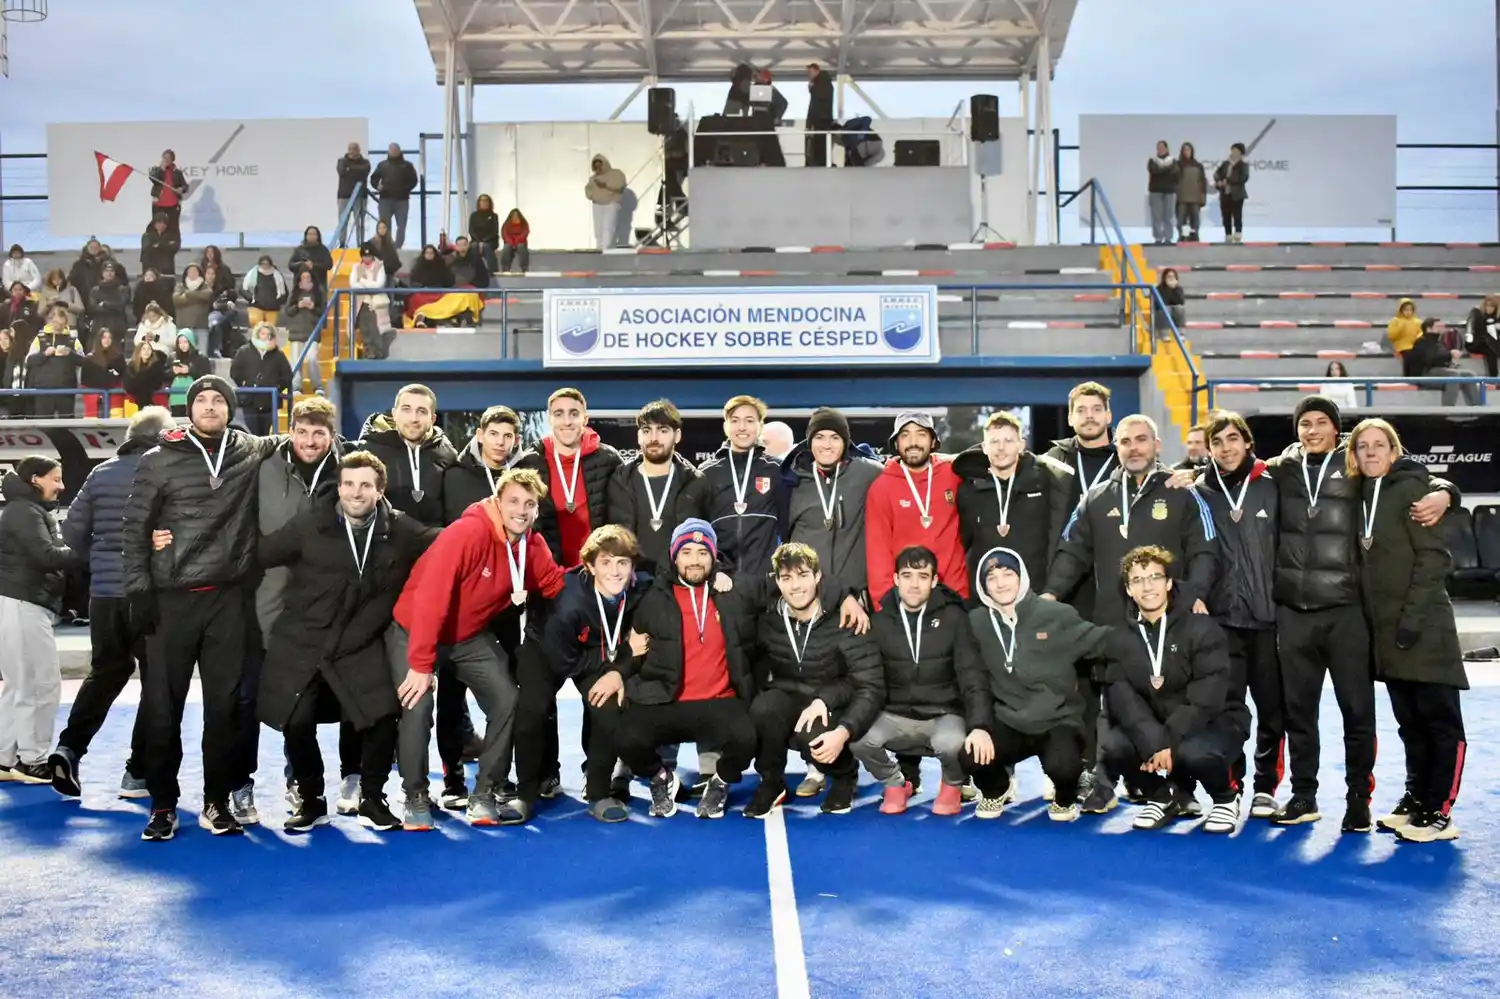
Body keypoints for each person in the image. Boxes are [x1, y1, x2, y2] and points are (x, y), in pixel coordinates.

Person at [1266, 394, 1458, 832]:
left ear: (1337, 429)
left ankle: (1358, 799)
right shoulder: (1284, 468)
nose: (1312, 430)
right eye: (1304, 424)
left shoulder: (1355, 462)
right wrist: (1191, 473)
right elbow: (1237, 468)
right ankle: (1303, 795)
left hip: (1347, 612)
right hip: (1294, 612)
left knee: (1358, 712)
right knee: (1299, 713)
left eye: (1321, 422)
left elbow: (1409, 472)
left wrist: (1447, 491)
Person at [122, 375, 281, 841]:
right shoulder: (157, 459)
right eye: (202, 400)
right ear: (189, 409)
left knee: (224, 708)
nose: (210, 406)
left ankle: (216, 801)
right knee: (162, 707)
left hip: (227, 600)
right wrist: (140, 593)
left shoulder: (249, 449)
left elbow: (305, 439)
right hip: (171, 600)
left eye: (219, 400)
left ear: (230, 409)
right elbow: (134, 529)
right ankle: (162, 804)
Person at [1043, 413, 1220, 814]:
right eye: (1125, 441)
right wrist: (1052, 594)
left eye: (1141, 439)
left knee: (1170, 703)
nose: (1133, 448)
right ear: (1116, 448)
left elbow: (1205, 550)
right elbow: (1072, 550)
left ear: (1157, 445)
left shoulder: (1182, 492)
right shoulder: (1097, 497)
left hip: (1168, 622)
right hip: (1114, 622)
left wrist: (1192, 597)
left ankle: (1179, 787)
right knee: (1112, 706)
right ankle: (1105, 784)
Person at [257, 451, 437, 833]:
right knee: (296, 720)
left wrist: (487, 523)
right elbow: (260, 553)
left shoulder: (399, 529)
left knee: (382, 716)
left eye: (365, 485)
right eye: (349, 484)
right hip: (304, 639)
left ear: (380, 490)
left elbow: (443, 543)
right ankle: (311, 799)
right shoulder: (310, 523)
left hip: (358, 641)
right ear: (338, 488)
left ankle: (372, 798)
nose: (356, 492)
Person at [387, 467, 565, 829]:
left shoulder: (532, 546)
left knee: (507, 698)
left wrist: (599, 578)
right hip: (414, 628)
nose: (521, 510)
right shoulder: (467, 533)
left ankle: (484, 791)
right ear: (498, 502)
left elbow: (555, 585)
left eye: (529, 504)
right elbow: (430, 598)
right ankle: (415, 794)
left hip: (465, 636)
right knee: (417, 705)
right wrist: (421, 664)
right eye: (513, 501)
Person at [1348, 418, 1468, 843]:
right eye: (1363, 446)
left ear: (1394, 451)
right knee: (1410, 725)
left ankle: (1440, 810)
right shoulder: (1359, 493)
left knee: (1442, 724)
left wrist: (1412, 621)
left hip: (1425, 629)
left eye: (1379, 445)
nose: (1371, 452)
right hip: (1388, 635)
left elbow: (1434, 560)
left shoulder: (1414, 488)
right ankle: (1417, 798)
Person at [49, 407, 175, 799]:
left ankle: (69, 748)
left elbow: (72, 534)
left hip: (104, 595)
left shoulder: (100, 473)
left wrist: (100, 563)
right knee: (156, 681)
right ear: (162, 437)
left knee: (105, 672)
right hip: (150, 595)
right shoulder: (167, 472)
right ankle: (138, 772)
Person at [243, 395, 350, 815]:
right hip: (272, 598)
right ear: (289, 432)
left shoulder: (348, 470)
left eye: (318, 433)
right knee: (286, 696)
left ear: (331, 436)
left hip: (328, 602)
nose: (309, 440)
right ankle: (296, 783)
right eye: (302, 432)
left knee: (334, 695)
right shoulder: (264, 466)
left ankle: (350, 780)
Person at [611, 520, 759, 819]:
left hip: (719, 701)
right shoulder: (652, 598)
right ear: (674, 556)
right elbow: (633, 646)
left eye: (703, 553)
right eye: (687, 552)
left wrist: (844, 596)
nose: (695, 560)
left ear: (714, 558)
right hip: (667, 700)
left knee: (750, 735)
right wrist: (622, 674)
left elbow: (784, 585)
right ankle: (661, 778)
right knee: (624, 735)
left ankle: (720, 781)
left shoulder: (732, 591)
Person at [1100, 546, 1250, 833]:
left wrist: (1169, 739)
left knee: (1194, 753)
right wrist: (1154, 741)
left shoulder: (1201, 627)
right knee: (1115, 746)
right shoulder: (1118, 637)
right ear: (1129, 590)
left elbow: (1208, 696)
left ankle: (1225, 798)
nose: (1147, 587)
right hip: (1159, 724)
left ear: (1169, 583)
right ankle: (1161, 796)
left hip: (1215, 719)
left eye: (1155, 577)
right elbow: (1122, 697)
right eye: (1137, 580)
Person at [964, 546, 1111, 820]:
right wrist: (977, 726)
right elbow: (965, 673)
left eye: (1008, 574)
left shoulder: (1056, 614)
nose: (1000, 583)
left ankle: (1064, 797)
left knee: (1064, 766)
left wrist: (1151, 631)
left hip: (1057, 720)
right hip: (1008, 720)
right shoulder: (976, 623)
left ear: (1021, 577)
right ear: (983, 586)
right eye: (991, 578)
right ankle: (996, 789)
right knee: (969, 752)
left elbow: (1104, 641)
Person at [744, 541, 882, 819]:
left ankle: (844, 775)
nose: (795, 586)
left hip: (834, 705)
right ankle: (772, 782)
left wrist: (841, 727)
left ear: (818, 577)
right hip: (790, 696)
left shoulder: (847, 618)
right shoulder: (768, 619)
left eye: (803, 575)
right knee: (763, 709)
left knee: (813, 734)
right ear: (777, 582)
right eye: (786, 578)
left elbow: (872, 685)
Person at [1190, 412, 1284, 819]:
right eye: (1217, 442)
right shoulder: (1198, 492)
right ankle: (1231, 787)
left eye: (1232, 439)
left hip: (1267, 618)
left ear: (1247, 442)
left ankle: (1265, 787)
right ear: (1208, 449)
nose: (1226, 448)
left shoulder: (1272, 484)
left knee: (1272, 709)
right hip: (1221, 620)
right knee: (1227, 710)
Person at [522, 525, 650, 822]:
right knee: (532, 708)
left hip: (596, 647)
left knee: (607, 703)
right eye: (606, 563)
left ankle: (598, 792)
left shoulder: (641, 588)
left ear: (632, 567)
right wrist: (622, 655)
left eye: (622, 563)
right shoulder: (567, 602)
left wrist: (617, 672)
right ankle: (525, 793)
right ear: (590, 566)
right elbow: (565, 662)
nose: (615, 571)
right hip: (547, 647)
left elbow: (671, 581)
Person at [856, 546, 987, 816]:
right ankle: (895, 784)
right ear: (895, 579)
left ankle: (952, 784)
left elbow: (972, 675)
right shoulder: (879, 623)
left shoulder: (955, 619)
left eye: (923, 576)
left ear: (934, 581)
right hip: (895, 715)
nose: (914, 584)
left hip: (942, 714)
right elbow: (867, 682)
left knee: (954, 744)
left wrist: (980, 726)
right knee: (856, 736)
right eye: (907, 575)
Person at [0, 456, 78, 784]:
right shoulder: (24, 511)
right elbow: (46, 556)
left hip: (19, 602)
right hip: (25, 603)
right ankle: (32, 761)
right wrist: (84, 549)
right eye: (55, 479)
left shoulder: (24, 510)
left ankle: (4, 758)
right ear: (35, 479)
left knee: (19, 685)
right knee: (39, 684)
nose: (61, 486)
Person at [954, 410, 1073, 602]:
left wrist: (1052, 589)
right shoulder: (969, 490)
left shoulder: (1045, 481)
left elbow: (1060, 537)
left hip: (1034, 597)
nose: (1001, 448)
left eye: (1008, 441)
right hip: (985, 599)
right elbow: (963, 544)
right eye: (994, 441)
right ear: (984, 447)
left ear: (1021, 445)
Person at [864, 411, 967, 610]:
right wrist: (885, 608)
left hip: (954, 598)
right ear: (896, 444)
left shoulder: (953, 474)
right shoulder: (882, 487)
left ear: (933, 441)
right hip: (906, 602)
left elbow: (989, 457)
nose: (913, 442)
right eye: (905, 435)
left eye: (921, 434)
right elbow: (878, 554)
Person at [514, 387, 624, 569]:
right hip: (548, 572)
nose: (567, 421)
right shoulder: (530, 462)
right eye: (559, 414)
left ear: (585, 419)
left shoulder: (608, 459)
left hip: (599, 571)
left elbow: (623, 518)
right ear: (550, 419)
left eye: (574, 414)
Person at [681, 394, 789, 578]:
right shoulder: (707, 472)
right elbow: (696, 529)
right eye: (735, 420)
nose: (742, 427)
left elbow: (789, 526)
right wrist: (715, 571)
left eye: (749, 421)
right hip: (721, 579)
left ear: (760, 426)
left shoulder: (776, 470)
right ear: (726, 426)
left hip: (766, 579)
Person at [784, 406, 883, 599]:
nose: (827, 445)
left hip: (854, 597)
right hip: (808, 597)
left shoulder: (868, 473)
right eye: (819, 437)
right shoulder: (791, 480)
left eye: (835, 437)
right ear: (809, 441)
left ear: (845, 442)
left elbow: (901, 473)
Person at [606, 398, 702, 576]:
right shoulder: (620, 480)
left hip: (678, 580)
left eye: (663, 430)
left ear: (677, 435)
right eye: (647, 430)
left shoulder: (694, 481)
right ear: (638, 436)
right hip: (633, 581)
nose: (654, 438)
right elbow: (616, 539)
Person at [359, 383, 460, 529]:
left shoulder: (447, 454)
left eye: (422, 411)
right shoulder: (367, 451)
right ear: (394, 414)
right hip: (383, 540)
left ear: (432, 419)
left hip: (436, 541)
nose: (413, 418)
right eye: (406, 409)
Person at [444, 404, 521, 522]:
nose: (500, 442)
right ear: (480, 435)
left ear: (516, 441)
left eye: (507, 436)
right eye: (493, 434)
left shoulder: (525, 477)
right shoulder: (454, 476)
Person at [228, 324, 293, 436]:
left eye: (269, 334)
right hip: (249, 401)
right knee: (252, 433)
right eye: (263, 333)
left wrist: (277, 387)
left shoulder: (278, 355)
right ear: (257, 334)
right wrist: (244, 384)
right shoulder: (244, 351)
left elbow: (287, 375)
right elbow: (234, 372)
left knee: (265, 435)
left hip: (269, 402)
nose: (266, 337)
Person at [24, 305, 84, 418]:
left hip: (66, 390)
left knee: (66, 424)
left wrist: (71, 354)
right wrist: (44, 354)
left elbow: (84, 362)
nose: (59, 326)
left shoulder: (73, 341)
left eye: (62, 323)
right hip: (43, 390)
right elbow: (29, 361)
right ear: (51, 321)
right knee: (44, 424)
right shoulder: (39, 339)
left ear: (66, 323)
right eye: (56, 323)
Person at [1407, 317, 1479, 406]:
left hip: (1439, 372)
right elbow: (1429, 359)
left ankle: (1476, 406)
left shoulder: (1438, 341)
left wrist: (1450, 361)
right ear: (1429, 328)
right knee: (1453, 375)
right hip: (1426, 374)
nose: (1442, 328)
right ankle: (1448, 409)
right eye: (1438, 326)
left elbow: (1440, 358)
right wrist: (1449, 354)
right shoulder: (1422, 342)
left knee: (1469, 375)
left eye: (1442, 326)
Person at [283, 270, 326, 396]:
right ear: (299, 280)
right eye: (303, 278)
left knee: (312, 358)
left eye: (308, 277)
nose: (306, 280)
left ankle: (317, 386)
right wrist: (298, 306)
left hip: (312, 331)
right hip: (296, 331)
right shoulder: (294, 293)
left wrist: (313, 307)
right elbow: (288, 311)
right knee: (296, 361)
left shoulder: (318, 293)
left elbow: (323, 311)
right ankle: (296, 387)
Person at [348, 244, 394, 360]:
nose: (367, 258)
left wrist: (363, 281)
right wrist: (368, 285)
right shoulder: (356, 267)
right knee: (365, 328)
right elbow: (353, 284)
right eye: (364, 256)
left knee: (377, 328)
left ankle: (379, 352)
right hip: (362, 302)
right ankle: (368, 351)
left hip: (377, 303)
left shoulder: (379, 266)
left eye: (369, 256)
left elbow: (379, 285)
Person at [370, 143, 419, 249]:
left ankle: (397, 246)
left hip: (402, 200)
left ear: (399, 151)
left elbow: (414, 180)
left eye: (395, 150)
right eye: (391, 150)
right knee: (384, 225)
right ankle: (386, 246)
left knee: (401, 225)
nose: (393, 152)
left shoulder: (407, 165)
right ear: (388, 151)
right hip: (385, 199)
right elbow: (373, 178)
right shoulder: (382, 165)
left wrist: (405, 189)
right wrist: (378, 186)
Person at [585, 154, 627, 250]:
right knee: (598, 230)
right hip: (597, 205)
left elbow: (620, 187)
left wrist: (606, 186)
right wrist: (592, 196)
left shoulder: (616, 174)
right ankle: (599, 249)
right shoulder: (593, 178)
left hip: (611, 204)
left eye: (600, 165)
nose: (598, 168)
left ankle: (606, 249)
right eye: (596, 166)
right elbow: (588, 189)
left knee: (608, 228)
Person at [80, 328, 126, 416]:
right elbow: (85, 381)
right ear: (99, 339)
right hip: (96, 398)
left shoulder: (119, 358)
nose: (107, 340)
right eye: (104, 337)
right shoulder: (90, 359)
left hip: (114, 396)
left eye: (109, 338)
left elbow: (123, 376)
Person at [165, 331, 211, 417]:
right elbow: (164, 375)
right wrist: (173, 371)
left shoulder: (201, 358)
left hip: (195, 396)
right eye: (180, 342)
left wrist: (189, 370)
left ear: (191, 342)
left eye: (185, 342)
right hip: (176, 398)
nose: (182, 345)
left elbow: (207, 375)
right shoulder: (172, 357)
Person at [1212, 143, 1250, 243]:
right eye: (1232, 150)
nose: (1233, 153)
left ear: (1241, 153)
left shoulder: (1243, 165)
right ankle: (1228, 235)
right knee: (1226, 215)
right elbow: (1217, 174)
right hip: (1225, 194)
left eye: (1236, 151)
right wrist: (1219, 181)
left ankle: (1238, 234)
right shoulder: (1226, 164)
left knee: (1237, 215)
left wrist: (1228, 180)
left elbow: (1243, 178)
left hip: (1237, 194)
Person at [172, 263, 215, 351]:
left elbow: (207, 296)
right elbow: (176, 299)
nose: (192, 273)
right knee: (182, 353)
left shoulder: (205, 286)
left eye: (195, 271)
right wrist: (197, 299)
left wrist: (187, 294)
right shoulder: (180, 286)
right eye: (190, 271)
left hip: (200, 327)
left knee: (202, 354)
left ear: (199, 273)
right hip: (183, 326)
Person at [87, 263, 131, 345]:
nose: (109, 273)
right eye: (106, 271)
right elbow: (93, 307)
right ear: (102, 273)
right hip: (99, 325)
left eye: (111, 271)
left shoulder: (122, 289)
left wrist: (104, 304)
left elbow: (121, 305)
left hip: (117, 326)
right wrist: (113, 306)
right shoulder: (95, 290)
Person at [336, 142, 372, 243]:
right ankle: (342, 243)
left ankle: (360, 243)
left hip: (360, 196)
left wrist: (349, 169)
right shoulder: (341, 161)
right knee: (343, 221)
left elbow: (364, 172)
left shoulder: (365, 163)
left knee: (360, 222)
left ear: (359, 150)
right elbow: (342, 171)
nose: (352, 151)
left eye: (355, 149)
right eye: (350, 149)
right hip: (344, 196)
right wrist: (355, 171)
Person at [148, 150, 188, 240]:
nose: (165, 160)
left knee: (173, 228)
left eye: (168, 158)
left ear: (172, 160)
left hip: (173, 205)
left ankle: (174, 244)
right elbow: (154, 179)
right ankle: (156, 244)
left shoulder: (177, 172)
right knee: (157, 226)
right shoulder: (156, 170)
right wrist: (162, 169)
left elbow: (185, 186)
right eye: (164, 158)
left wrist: (181, 189)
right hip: (158, 204)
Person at [241, 255, 288, 330]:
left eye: (267, 264)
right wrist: (251, 298)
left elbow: (284, 292)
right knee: (257, 328)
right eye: (263, 264)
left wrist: (278, 301)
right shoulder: (252, 274)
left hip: (273, 307)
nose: (265, 266)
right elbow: (243, 289)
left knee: (270, 329)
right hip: (256, 305)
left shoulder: (277, 275)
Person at [1147, 141, 1179, 245]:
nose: (1159, 149)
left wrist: (1162, 170)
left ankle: (1168, 237)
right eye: (1158, 147)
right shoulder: (1152, 161)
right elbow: (1154, 171)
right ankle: (1158, 237)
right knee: (1156, 216)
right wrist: (1166, 169)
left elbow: (1175, 173)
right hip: (1155, 191)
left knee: (1168, 216)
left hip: (1169, 191)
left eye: (1162, 147)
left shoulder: (1173, 161)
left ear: (1166, 148)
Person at [123, 338, 169, 411]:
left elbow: (156, 384)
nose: (146, 351)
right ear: (139, 351)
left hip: (154, 403)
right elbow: (128, 385)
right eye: (143, 349)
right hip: (135, 403)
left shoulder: (156, 367)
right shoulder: (132, 366)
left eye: (149, 349)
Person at [804, 62, 836, 167]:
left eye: (810, 72)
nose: (809, 75)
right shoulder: (823, 83)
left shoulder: (823, 83)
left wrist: (812, 89)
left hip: (821, 119)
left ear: (816, 71)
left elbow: (821, 97)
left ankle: (821, 163)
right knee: (818, 144)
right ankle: (819, 163)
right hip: (821, 118)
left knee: (820, 144)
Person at [1175, 143, 1207, 242]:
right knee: (1181, 220)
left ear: (1192, 151)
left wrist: (1202, 197)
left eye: (1188, 150)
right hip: (1182, 197)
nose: (1186, 152)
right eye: (1184, 150)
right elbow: (1174, 181)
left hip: (1195, 198)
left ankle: (1194, 236)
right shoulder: (1177, 165)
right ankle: (1182, 236)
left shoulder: (1198, 166)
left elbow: (1202, 182)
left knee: (1195, 220)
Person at [288, 225, 334, 293]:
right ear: (306, 236)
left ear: (318, 236)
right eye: (309, 234)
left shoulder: (323, 250)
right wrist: (301, 264)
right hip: (300, 285)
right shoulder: (299, 250)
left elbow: (329, 265)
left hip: (319, 285)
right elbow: (291, 265)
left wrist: (313, 265)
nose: (312, 236)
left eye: (314, 234)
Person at [1464, 293, 1500, 378]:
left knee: (1491, 348)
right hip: (1475, 342)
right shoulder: (1476, 312)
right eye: (1488, 306)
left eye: (1492, 307)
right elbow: (1470, 326)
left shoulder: (1497, 316)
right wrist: (1469, 337)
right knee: (1490, 347)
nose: (1489, 309)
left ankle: (1493, 377)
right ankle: (1494, 377)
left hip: (1492, 344)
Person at [469, 195, 502, 273]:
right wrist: (479, 241)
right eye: (482, 201)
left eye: (486, 201)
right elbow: (471, 231)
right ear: (479, 203)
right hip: (476, 240)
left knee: (486, 247)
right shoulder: (473, 215)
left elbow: (494, 231)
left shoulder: (493, 216)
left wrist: (483, 242)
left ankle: (493, 270)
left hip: (490, 240)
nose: (484, 202)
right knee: (474, 247)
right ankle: (475, 270)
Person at [1154, 267, 1186, 338]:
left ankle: (1180, 333)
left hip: (1174, 313)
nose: (1171, 278)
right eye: (1169, 276)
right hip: (1160, 313)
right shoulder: (1158, 289)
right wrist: (1168, 289)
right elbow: (1162, 303)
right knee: (1166, 309)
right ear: (1164, 278)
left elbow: (1180, 302)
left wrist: (1174, 289)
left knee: (1179, 308)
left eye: (1173, 276)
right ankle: (1164, 334)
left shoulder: (1178, 289)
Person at [499, 209, 530, 275]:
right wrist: (511, 242)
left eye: (516, 215)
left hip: (520, 242)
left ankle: (524, 268)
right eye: (513, 215)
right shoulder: (506, 224)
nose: (515, 217)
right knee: (506, 248)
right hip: (509, 242)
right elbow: (504, 234)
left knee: (521, 247)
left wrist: (517, 241)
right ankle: (505, 268)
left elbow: (525, 233)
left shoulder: (524, 223)